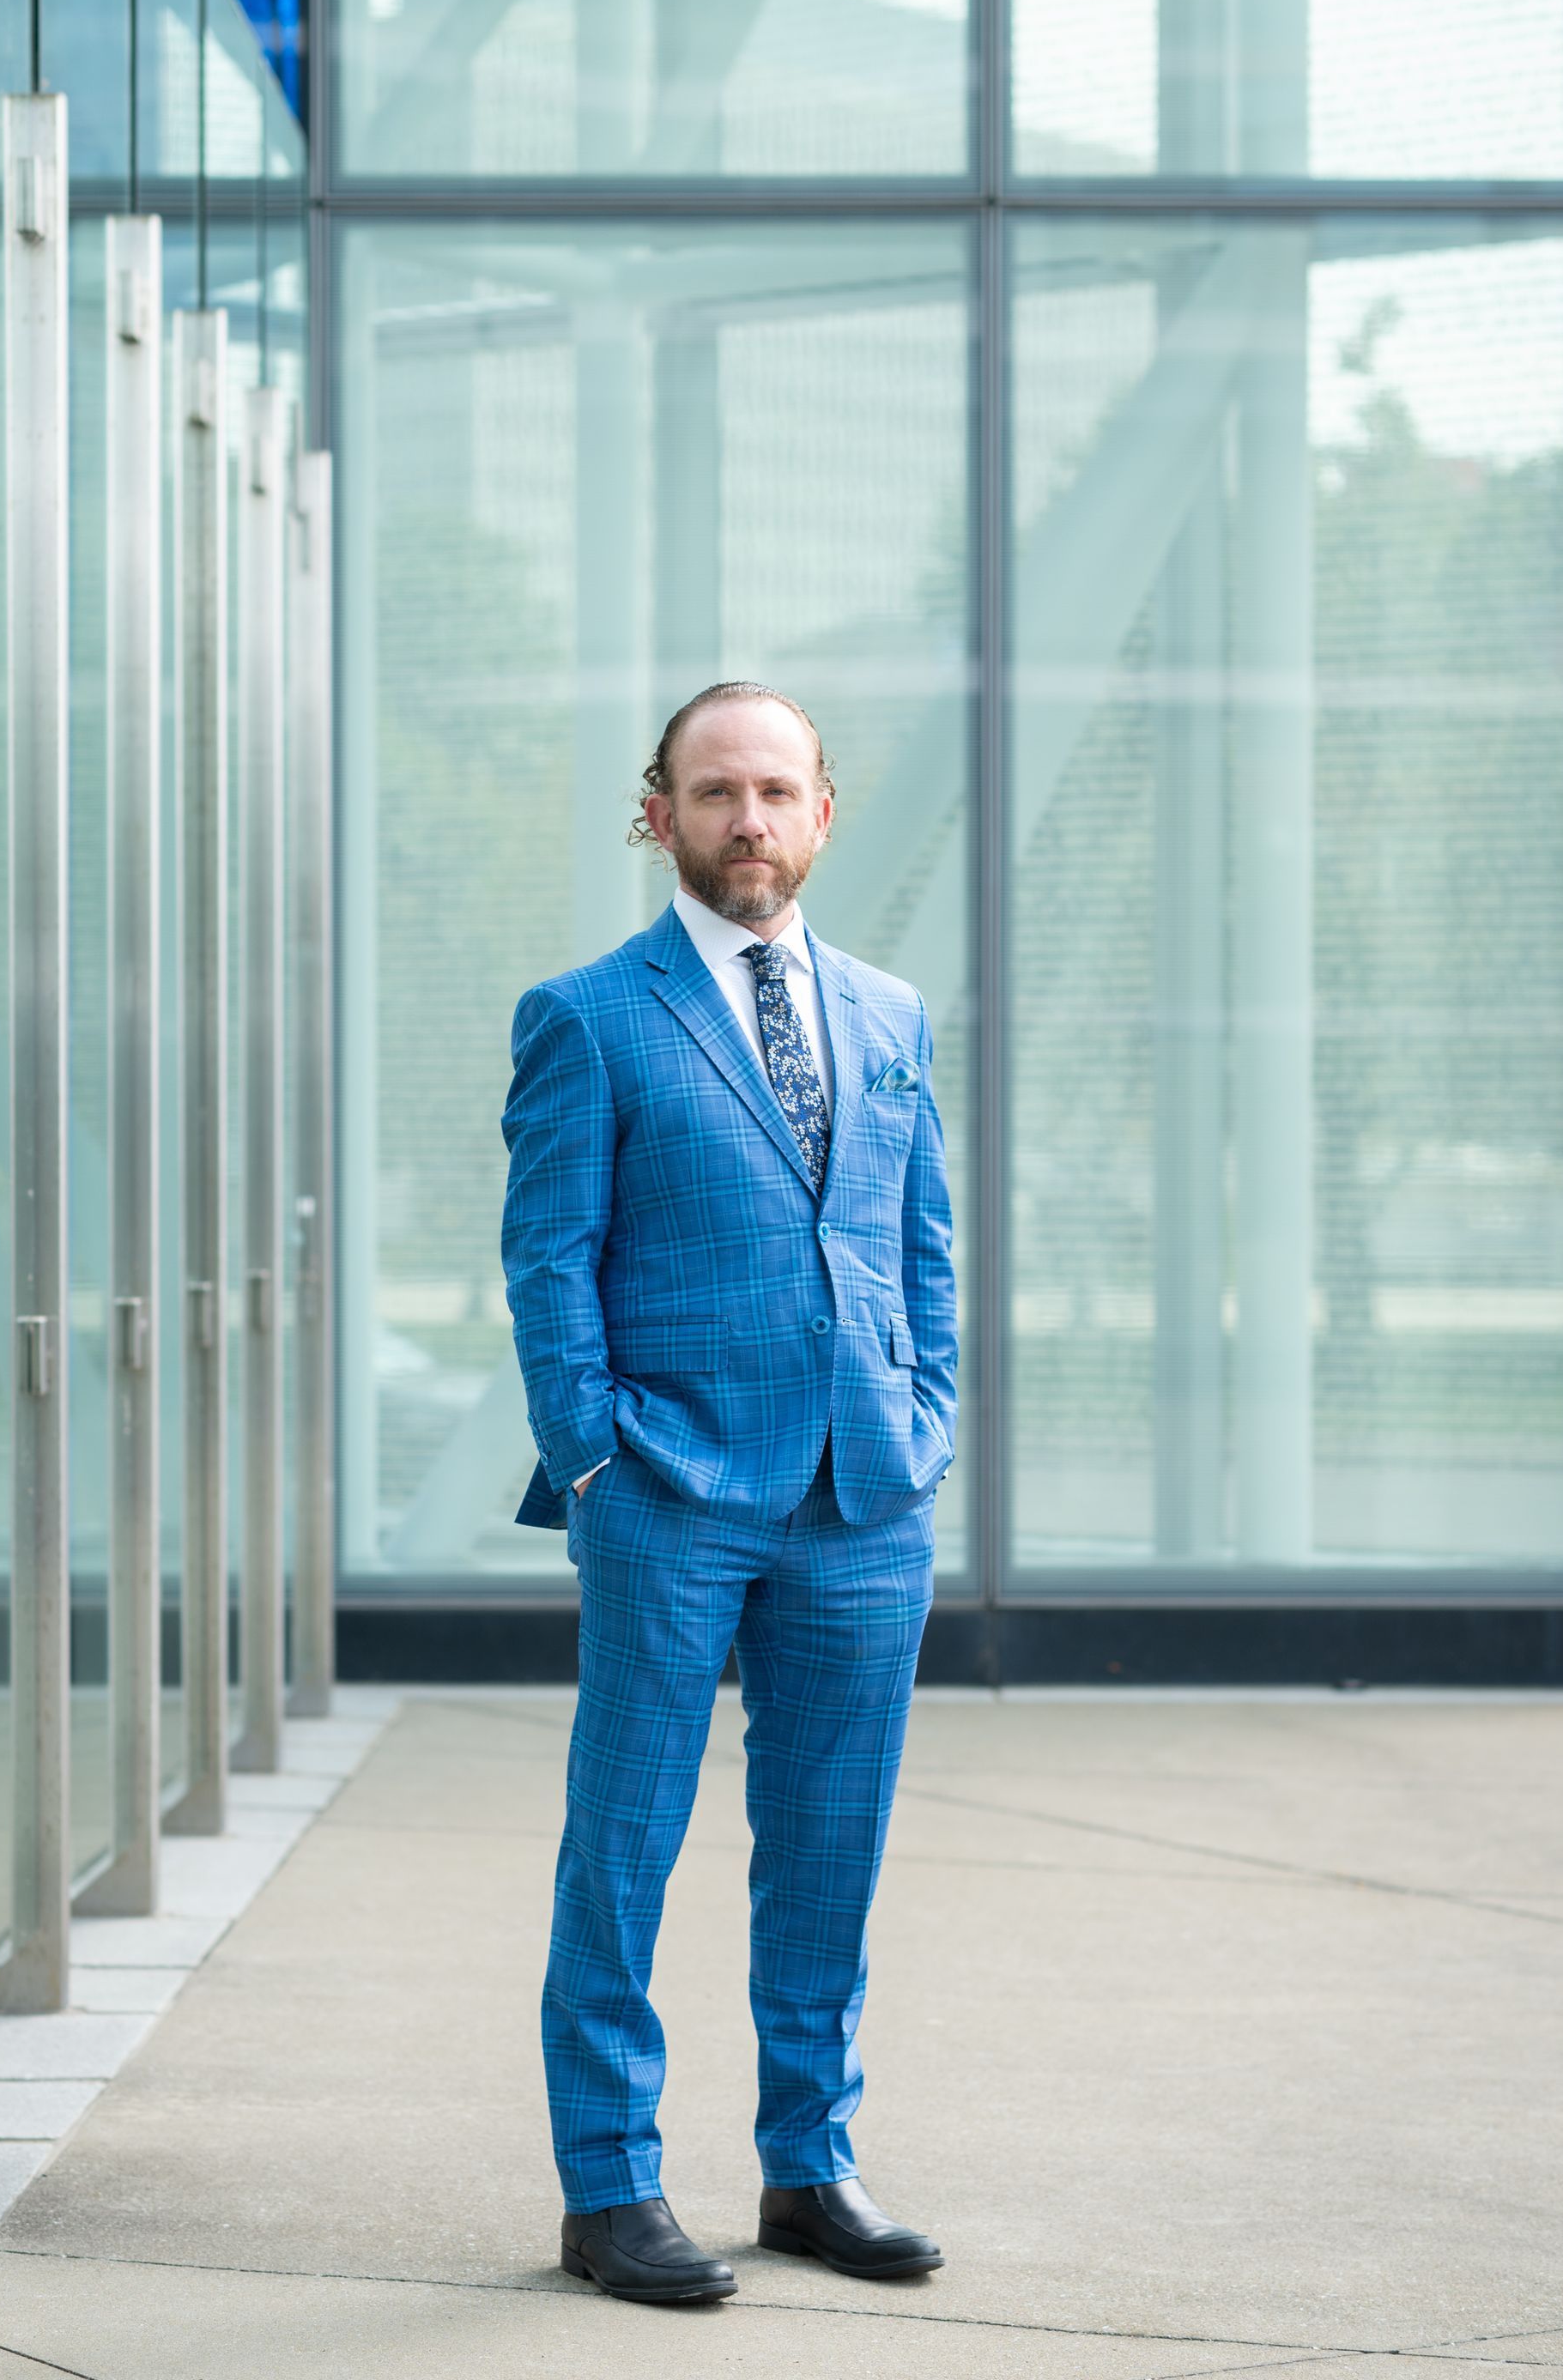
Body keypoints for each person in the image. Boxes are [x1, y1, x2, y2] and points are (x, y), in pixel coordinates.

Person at [500, 681, 958, 2307]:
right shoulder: (590, 1016)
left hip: (863, 1495)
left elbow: (920, 1245)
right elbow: (548, 1263)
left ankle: (808, 2166)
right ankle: (609, 2183)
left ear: (824, 812)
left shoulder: (894, 1015)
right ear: (660, 816)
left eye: (775, 790)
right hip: (669, 1490)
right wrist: (599, 1463)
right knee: (624, 1839)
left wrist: (927, 1422)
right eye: (715, 792)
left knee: (829, 1845)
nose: (747, 819)